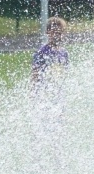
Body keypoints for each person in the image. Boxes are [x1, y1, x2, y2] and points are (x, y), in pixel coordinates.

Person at [30, 16, 70, 148]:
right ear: (48, 33)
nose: (57, 35)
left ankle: (57, 149)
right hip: (44, 96)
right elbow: (35, 75)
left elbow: (64, 75)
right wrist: (35, 95)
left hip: (58, 96)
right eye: (54, 32)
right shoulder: (42, 52)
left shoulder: (64, 53)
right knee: (45, 125)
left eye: (60, 32)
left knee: (59, 128)